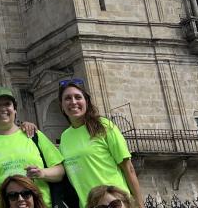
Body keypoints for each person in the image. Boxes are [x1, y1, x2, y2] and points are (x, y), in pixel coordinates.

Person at [0, 87, 65, 208]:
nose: (3, 108)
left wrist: (42, 172)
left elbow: (60, 171)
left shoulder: (33, 135)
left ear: (14, 109)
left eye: (7, 104)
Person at [58, 80, 143, 208]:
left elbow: (128, 168)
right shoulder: (64, 137)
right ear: (61, 105)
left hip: (115, 203)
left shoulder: (104, 126)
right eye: (68, 98)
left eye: (78, 97)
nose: (73, 102)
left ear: (86, 101)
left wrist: (140, 205)